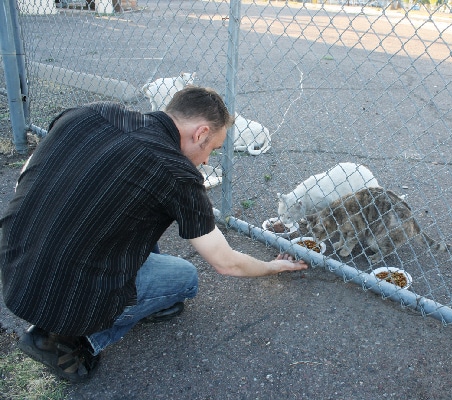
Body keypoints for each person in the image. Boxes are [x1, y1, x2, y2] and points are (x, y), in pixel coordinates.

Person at [0, 86, 307, 383]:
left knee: (131, 211)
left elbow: (32, 172)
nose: (207, 161)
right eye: (211, 148)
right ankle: (66, 339)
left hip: (14, 266)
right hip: (60, 294)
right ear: (200, 134)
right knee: (185, 279)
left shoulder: (91, 113)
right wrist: (273, 267)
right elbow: (226, 263)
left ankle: (67, 309)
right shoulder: (177, 173)